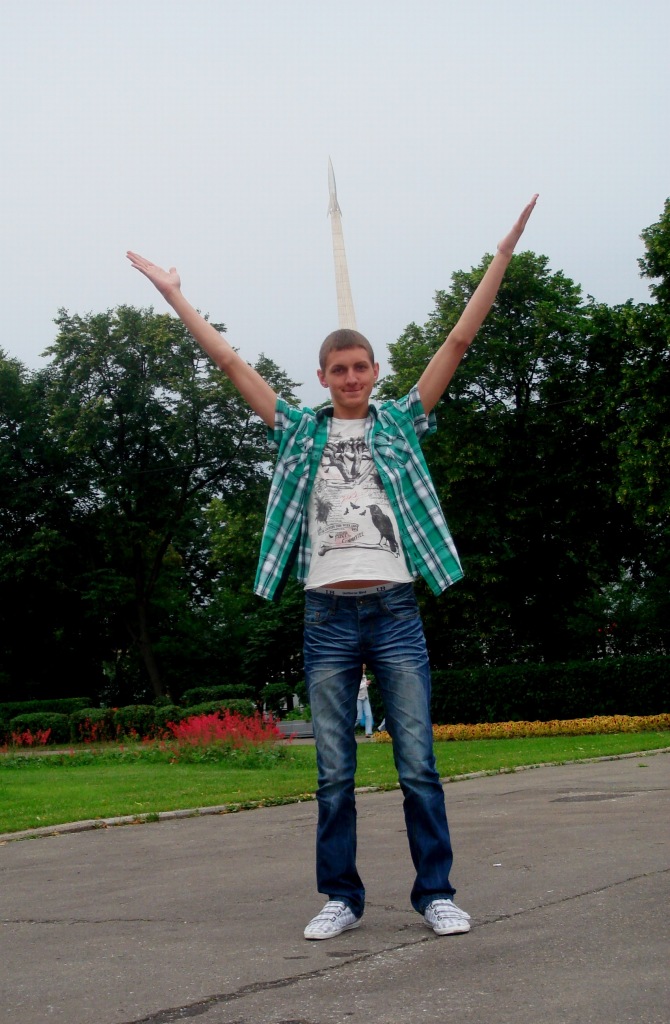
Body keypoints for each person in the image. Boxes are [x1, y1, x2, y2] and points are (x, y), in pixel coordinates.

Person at [126, 192, 537, 941]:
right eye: (338, 369)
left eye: (360, 367)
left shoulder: (401, 422)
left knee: (418, 764)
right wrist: (175, 295)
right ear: (321, 377)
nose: (351, 377)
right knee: (334, 773)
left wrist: (503, 253)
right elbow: (228, 362)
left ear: (375, 371)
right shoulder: (296, 432)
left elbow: (457, 342)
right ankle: (341, 898)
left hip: (395, 610)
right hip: (327, 617)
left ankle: (435, 893)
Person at [356, 666, 373, 737]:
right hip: (358, 698)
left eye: (364, 669)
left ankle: (368, 732)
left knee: (369, 715)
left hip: (365, 697)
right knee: (358, 717)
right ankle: (348, 729)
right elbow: (357, 687)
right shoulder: (356, 676)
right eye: (362, 669)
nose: (363, 670)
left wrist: (367, 684)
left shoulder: (364, 676)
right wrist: (365, 683)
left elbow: (364, 687)